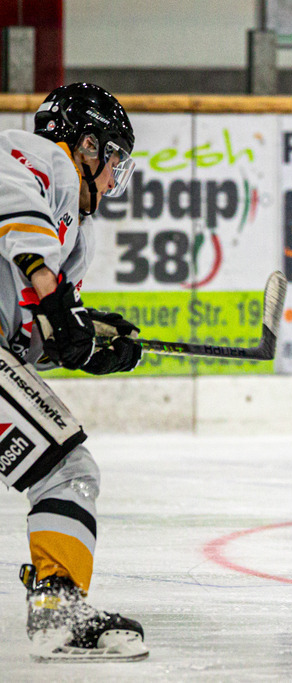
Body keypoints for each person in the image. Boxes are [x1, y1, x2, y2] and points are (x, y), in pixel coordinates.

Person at [1, 83, 148, 661]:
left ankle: (51, 585)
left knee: (62, 467)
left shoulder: (75, 234)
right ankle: (58, 605)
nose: (113, 182)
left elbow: (40, 339)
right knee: (66, 469)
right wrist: (52, 293)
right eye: (114, 164)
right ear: (89, 145)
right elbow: (19, 217)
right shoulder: (35, 158)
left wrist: (93, 345)